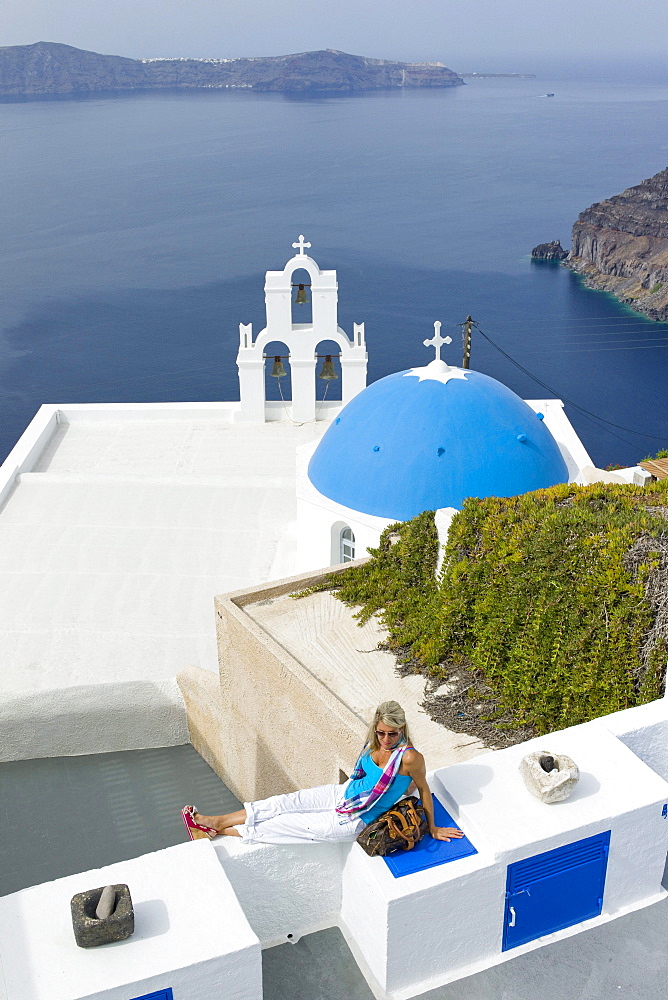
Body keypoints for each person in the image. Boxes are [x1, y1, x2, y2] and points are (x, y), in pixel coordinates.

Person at [182, 701, 464, 845]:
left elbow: (423, 789)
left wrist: (434, 827)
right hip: (343, 795)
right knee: (282, 803)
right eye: (381, 732)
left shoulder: (410, 757)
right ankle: (216, 821)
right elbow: (371, 779)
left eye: (392, 733)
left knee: (282, 825)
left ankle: (216, 831)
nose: (386, 739)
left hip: (355, 818)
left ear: (401, 730)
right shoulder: (372, 743)